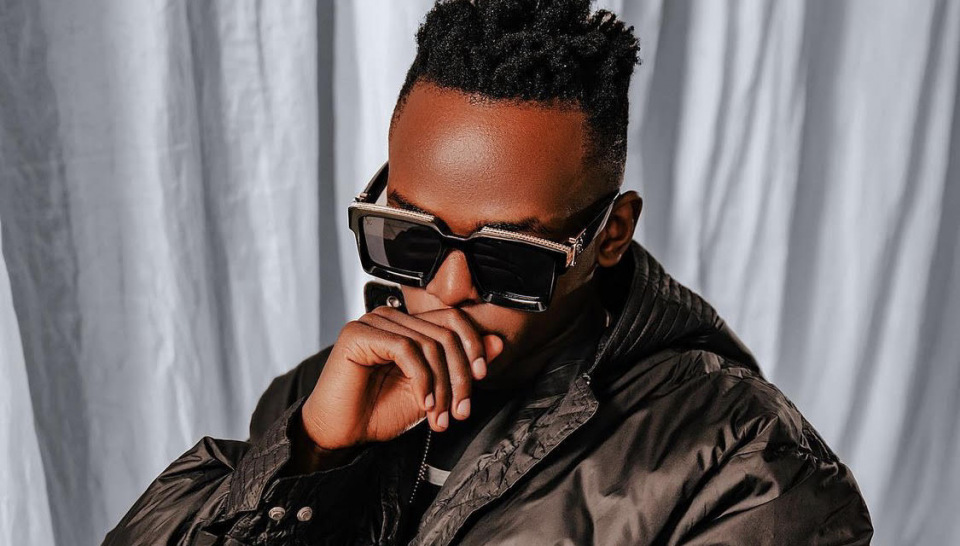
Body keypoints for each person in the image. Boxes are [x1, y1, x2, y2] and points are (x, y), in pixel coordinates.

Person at [104, 1, 873, 544]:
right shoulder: (326, 394)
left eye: (509, 255)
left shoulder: (749, 467)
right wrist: (309, 458)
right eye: (409, 238)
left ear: (611, 234)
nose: (447, 290)